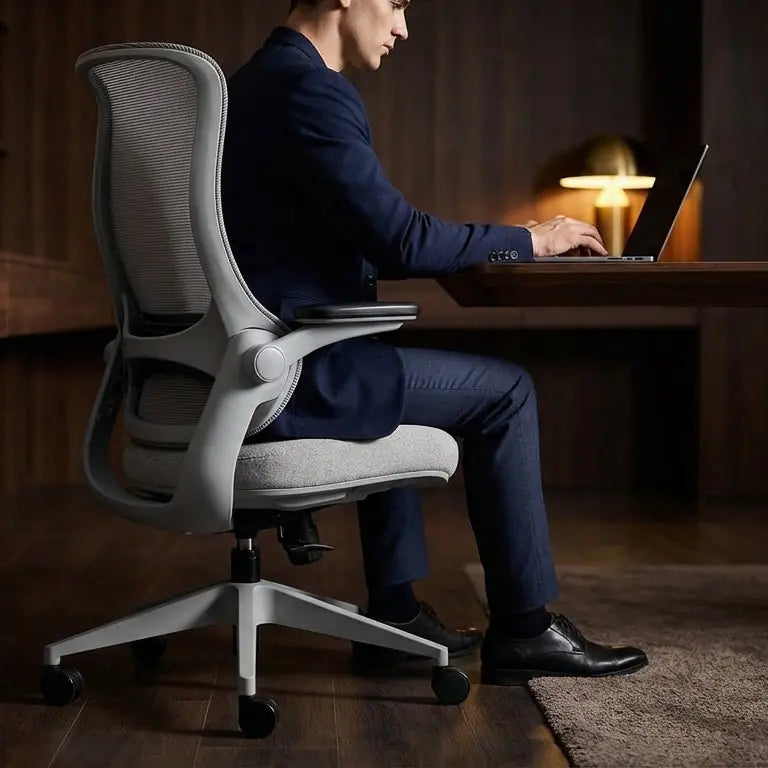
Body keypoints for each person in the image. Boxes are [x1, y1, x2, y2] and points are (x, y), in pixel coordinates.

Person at [221, 0, 648, 684]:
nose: (402, 27)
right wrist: (529, 240)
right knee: (507, 393)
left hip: (245, 364)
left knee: (389, 370)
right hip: (292, 373)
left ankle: (394, 618)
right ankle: (525, 629)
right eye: (395, 4)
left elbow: (364, 235)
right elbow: (401, 238)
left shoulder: (251, 83)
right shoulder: (309, 91)